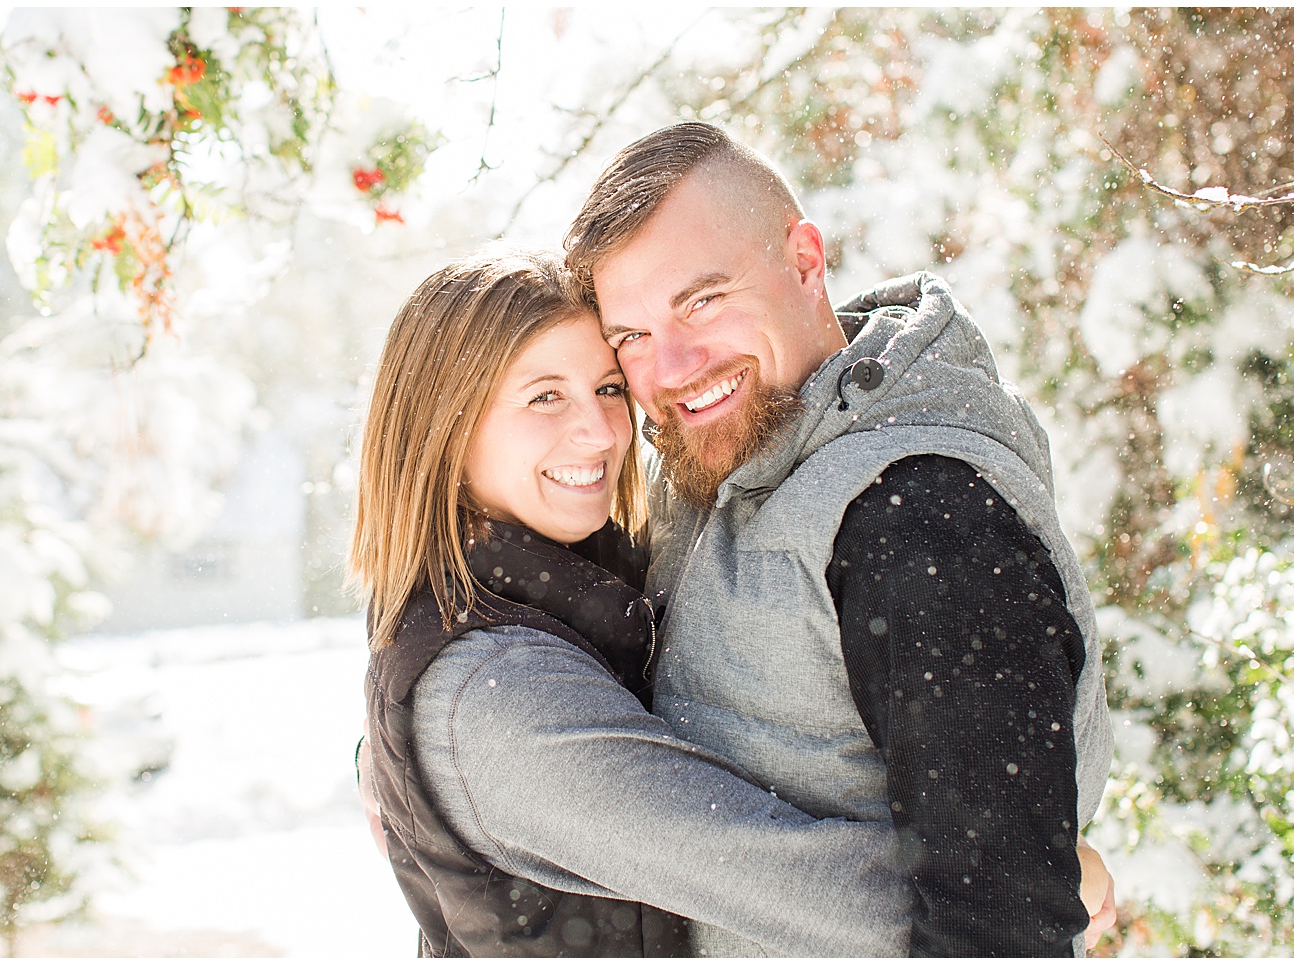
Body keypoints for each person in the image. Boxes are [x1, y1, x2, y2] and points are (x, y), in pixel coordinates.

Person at [564, 121, 1117, 956]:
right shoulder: (725, 462)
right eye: (631, 337)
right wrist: (415, 749)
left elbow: (1002, 923)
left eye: (702, 300)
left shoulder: (919, 516)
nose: (671, 366)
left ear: (806, 261)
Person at [349, 247, 920, 956]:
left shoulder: (579, 589)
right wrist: (1008, 875)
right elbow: (775, 876)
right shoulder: (491, 693)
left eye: (609, 389)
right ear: (443, 427)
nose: (600, 432)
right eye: (544, 395)